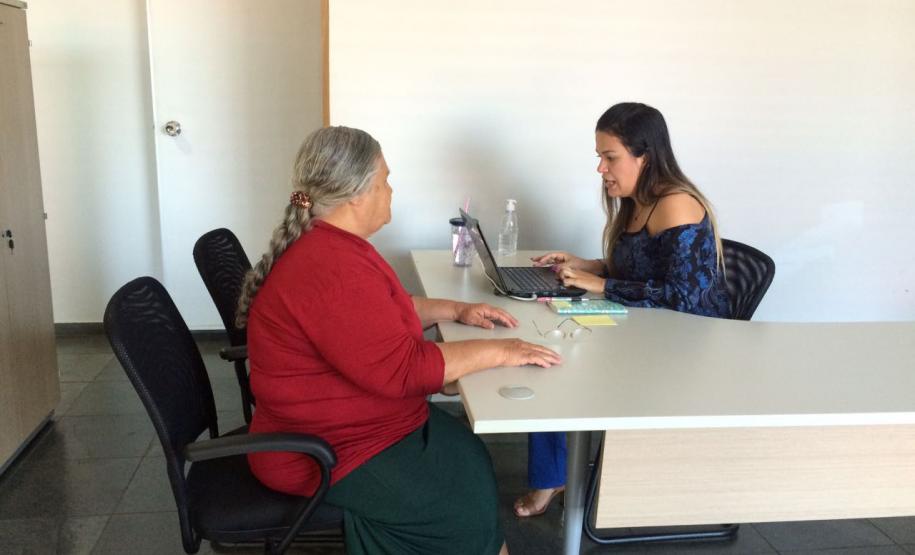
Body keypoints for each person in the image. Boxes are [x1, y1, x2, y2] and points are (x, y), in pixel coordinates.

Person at [236, 126, 560, 554]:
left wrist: (455, 310)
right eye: (384, 179)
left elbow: (380, 313)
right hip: (323, 451)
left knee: (468, 458)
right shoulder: (330, 268)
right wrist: (504, 350)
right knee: (457, 505)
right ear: (356, 194)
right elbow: (404, 370)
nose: (391, 189)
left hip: (353, 426)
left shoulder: (335, 246)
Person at [513, 102, 730, 517]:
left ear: (644, 155)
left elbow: (685, 299)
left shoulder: (675, 204)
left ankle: (558, 477)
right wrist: (586, 265)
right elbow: (642, 266)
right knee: (546, 352)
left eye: (610, 157)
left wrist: (603, 284)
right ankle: (554, 474)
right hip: (645, 331)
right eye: (599, 157)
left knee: (556, 361)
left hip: (682, 347)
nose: (601, 169)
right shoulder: (637, 198)